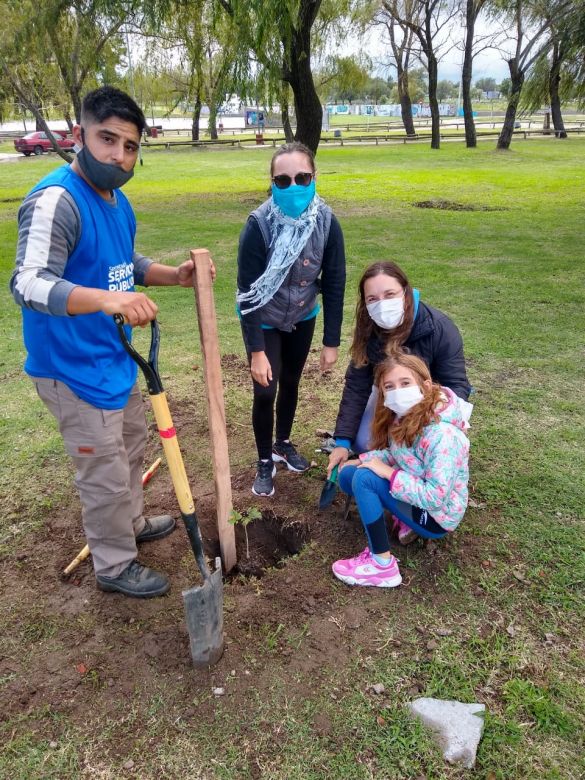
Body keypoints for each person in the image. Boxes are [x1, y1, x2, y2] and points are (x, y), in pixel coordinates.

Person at [10, 86, 214, 599]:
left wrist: (175, 275)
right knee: (102, 472)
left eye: (130, 147)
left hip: (114, 361)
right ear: (81, 135)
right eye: (108, 140)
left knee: (128, 448)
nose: (119, 156)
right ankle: (114, 563)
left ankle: (132, 523)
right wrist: (106, 301)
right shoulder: (57, 200)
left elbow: (124, 266)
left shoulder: (117, 201)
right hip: (72, 369)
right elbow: (27, 283)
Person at [237, 142, 346, 497]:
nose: (294, 187)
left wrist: (331, 342)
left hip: (303, 315)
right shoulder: (258, 225)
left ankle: (283, 443)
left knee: (292, 381)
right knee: (266, 390)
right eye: (283, 181)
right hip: (265, 319)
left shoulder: (328, 223)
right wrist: (256, 351)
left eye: (303, 178)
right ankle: (264, 460)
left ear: (315, 177)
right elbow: (248, 294)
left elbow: (333, 282)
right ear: (271, 183)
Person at [332, 353, 470, 587]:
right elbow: (398, 455)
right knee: (349, 475)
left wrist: (387, 473)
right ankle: (395, 516)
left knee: (365, 479)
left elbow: (435, 497)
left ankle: (382, 566)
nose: (398, 391)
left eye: (405, 383)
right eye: (389, 386)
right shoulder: (405, 417)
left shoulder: (443, 435)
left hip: (436, 516)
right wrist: (362, 459)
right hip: (414, 492)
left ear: (425, 386)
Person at [328, 261, 471, 475]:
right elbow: (357, 386)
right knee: (365, 442)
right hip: (388, 394)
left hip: (428, 397)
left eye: (390, 294)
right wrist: (342, 441)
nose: (382, 304)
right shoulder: (368, 327)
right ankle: (390, 457)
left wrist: (435, 423)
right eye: (372, 299)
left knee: (421, 446)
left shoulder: (440, 328)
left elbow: (456, 385)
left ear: (405, 292)